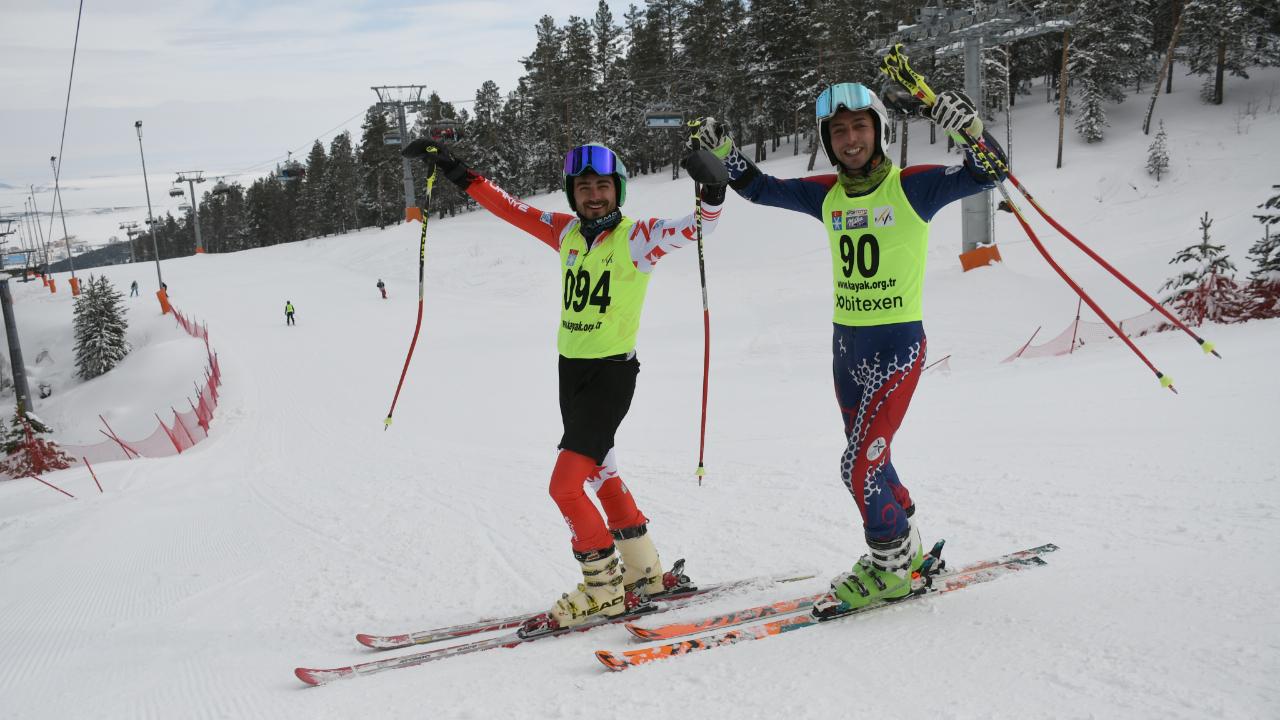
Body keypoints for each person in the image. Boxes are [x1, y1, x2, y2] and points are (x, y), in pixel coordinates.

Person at [688, 84, 1005, 613]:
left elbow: (991, 171)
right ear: (827, 140)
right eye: (838, 130)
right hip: (846, 349)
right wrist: (727, 156)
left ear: (879, 130)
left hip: (897, 347)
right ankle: (911, 548)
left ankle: (890, 571)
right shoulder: (828, 195)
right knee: (873, 459)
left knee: (858, 468)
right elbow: (763, 188)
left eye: (859, 127)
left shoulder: (913, 187)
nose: (850, 139)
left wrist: (971, 132)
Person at [401, 137, 727, 631]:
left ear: (618, 190)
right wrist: (452, 167)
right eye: (583, 187)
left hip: (611, 375)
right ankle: (646, 573)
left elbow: (698, 229)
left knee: (565, 485)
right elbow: (506, 207)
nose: (593, 195)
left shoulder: (637, 237)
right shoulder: (565, 233)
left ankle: (603, 590)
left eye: (602, 186)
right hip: (570, 372)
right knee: (601, 473)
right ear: (571, 193)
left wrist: (714, 191)